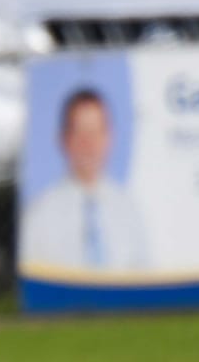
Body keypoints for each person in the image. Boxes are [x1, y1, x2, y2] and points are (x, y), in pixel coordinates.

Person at [19, 87, 150, 272]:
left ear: (109, 137)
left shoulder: (128, 209)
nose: (89, 144)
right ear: (64, 139)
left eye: (96, 132)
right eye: (81, 133)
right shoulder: (40, 215)